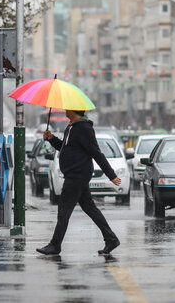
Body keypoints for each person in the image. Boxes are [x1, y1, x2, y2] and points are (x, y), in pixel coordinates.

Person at [36, 109, 121, 256]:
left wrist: (111, 175)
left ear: (74, 111)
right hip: (75, 174)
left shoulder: (84, 129)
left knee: (64, 210)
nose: (65, 110)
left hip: (77, 175)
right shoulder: (71, 127)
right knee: (90, 208)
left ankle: (55, 245)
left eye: (68, 108)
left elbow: (96, 153)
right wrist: (51, 138)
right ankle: (111, 239)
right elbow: (66, 147)